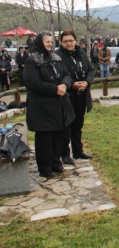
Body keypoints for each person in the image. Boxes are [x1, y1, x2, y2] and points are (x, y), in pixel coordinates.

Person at [24, 32, 75, 177]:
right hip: (42, 107)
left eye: (51, 42)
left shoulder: (56, 58)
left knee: (58, 136)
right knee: (45, 139)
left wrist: (65, 85)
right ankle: (45, 168)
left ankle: (56, 163)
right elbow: (32, 83)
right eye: (46, 42)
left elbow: (67, 74)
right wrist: (55, 89)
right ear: (40, 42)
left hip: (59, 105)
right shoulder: (32, 60)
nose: (49, 44)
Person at [55, 29, 95, 165]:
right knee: (66, 126)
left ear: (75, 41)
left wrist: (87, 82)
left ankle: (78, 151)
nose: (69, 44)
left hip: (82, 94)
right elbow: (57, 76)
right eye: (65, 41)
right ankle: (65, 154)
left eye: (71, 40)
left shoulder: (81, 53)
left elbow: (91, 70)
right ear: (61, 42)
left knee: (78, 124)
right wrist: (72, 84)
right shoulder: (57, 56)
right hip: (66, 96)